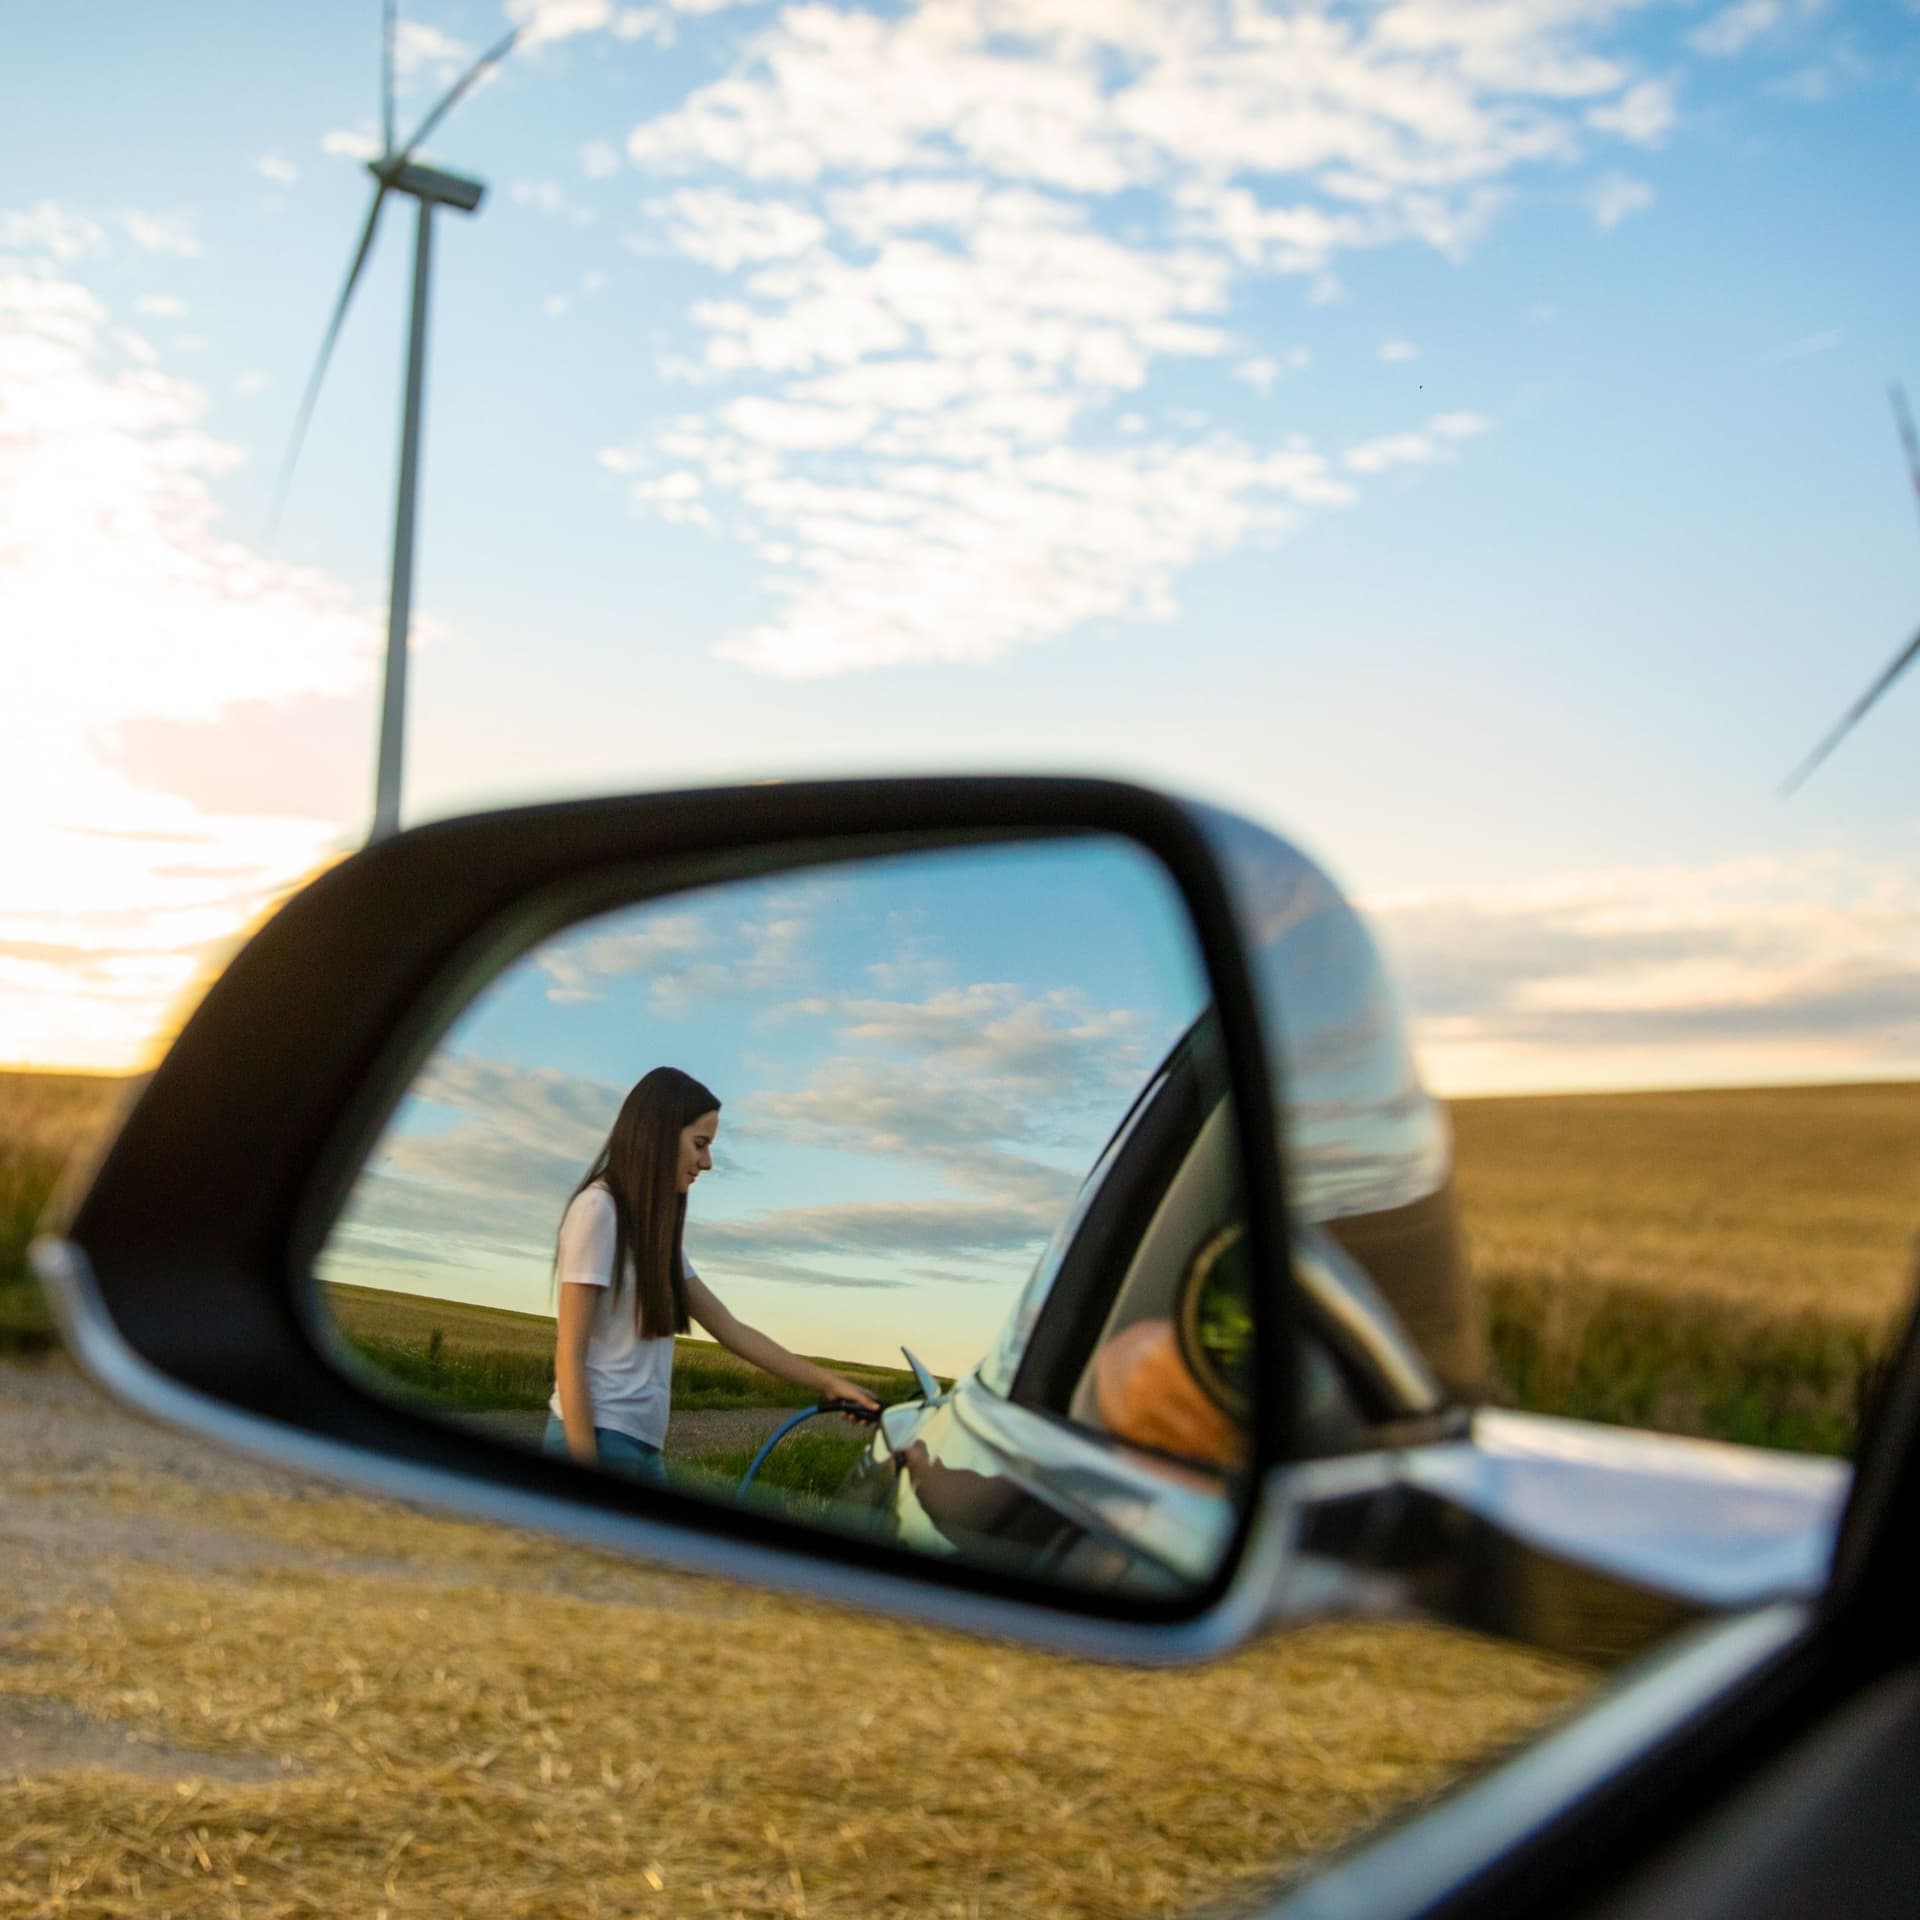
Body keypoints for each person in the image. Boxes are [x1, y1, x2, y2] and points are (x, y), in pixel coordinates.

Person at [545, 1065, 880, 1484]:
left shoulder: (654, 1235)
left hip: (641, 1448)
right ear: (659, 1135)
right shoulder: (598, 1211)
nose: (707, 1162)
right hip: (595, 1440)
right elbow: (569, 1354)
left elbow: (731, 1330)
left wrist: (830, 1384)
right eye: (700, 1144)